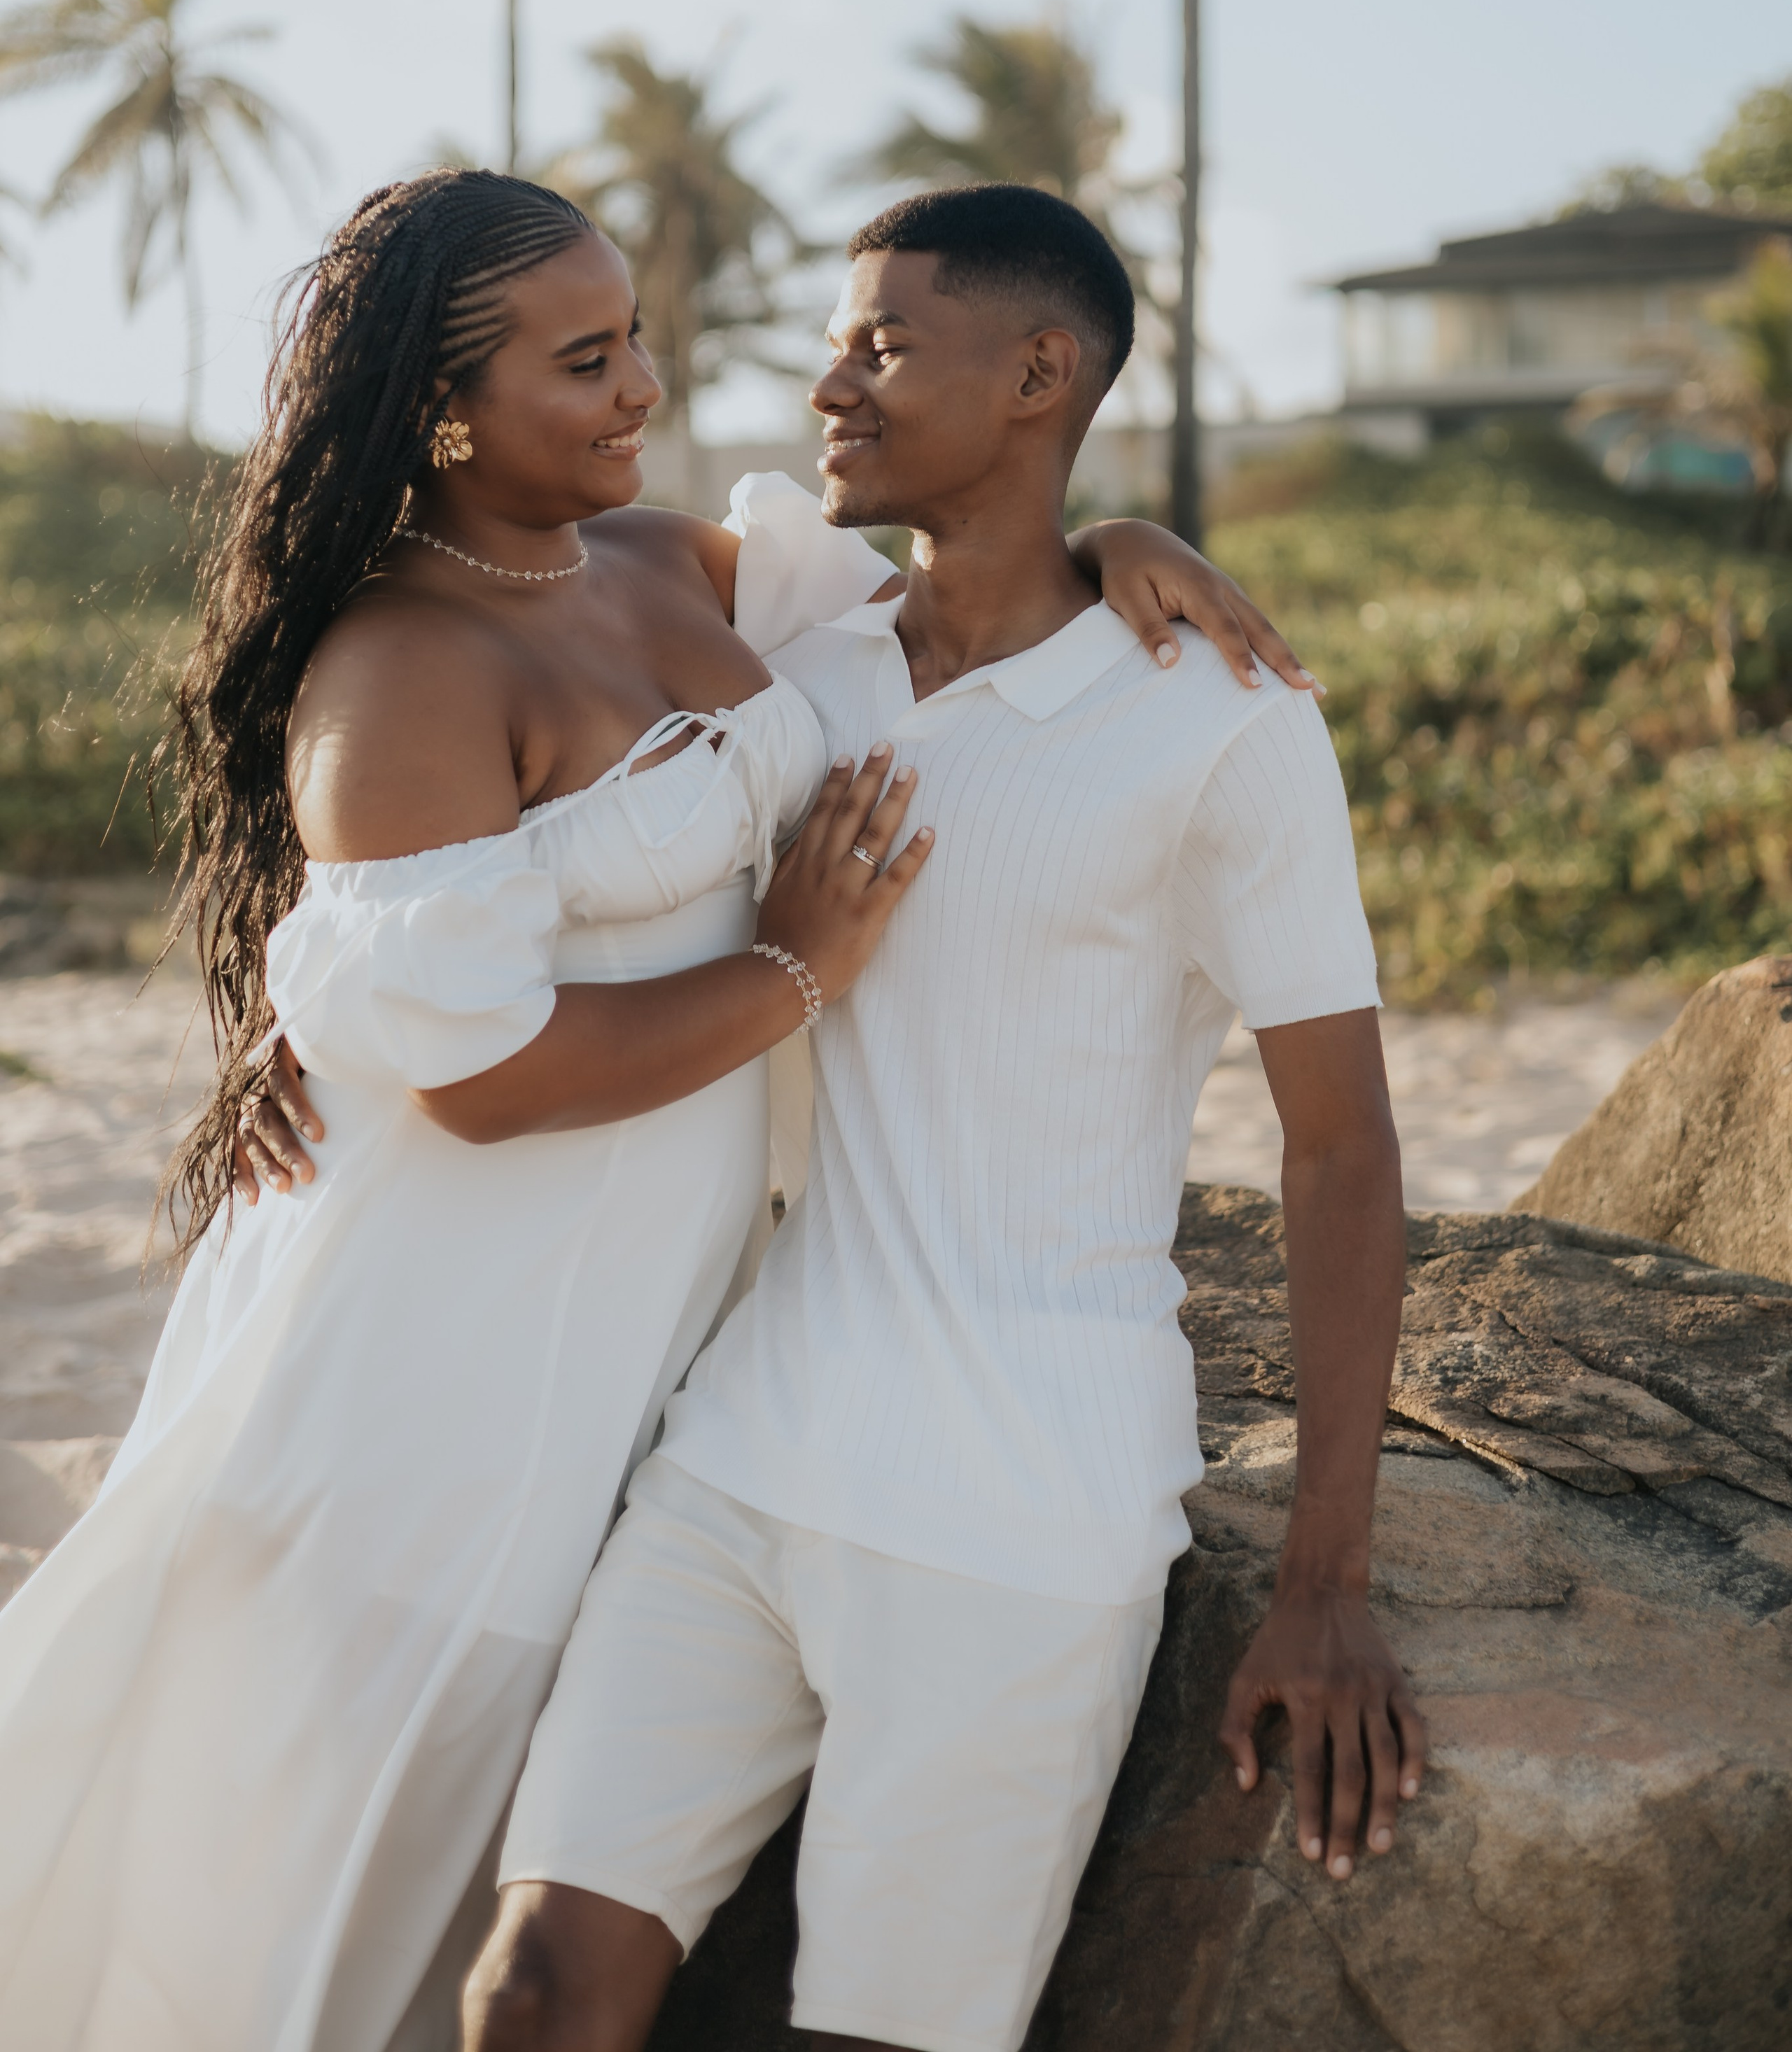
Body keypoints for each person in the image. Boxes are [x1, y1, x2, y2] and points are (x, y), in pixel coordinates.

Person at [0, 168, 1303, 2052]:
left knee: (470, 1855)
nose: (643, 395)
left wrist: (1114, 529)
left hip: (633, 1340)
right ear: (444, 412)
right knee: (286, 1855)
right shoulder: (402, 669)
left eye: (639, 345)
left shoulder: (662, 564)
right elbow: (482, 1081)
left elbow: (953, 575)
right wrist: (793, 973)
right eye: (587, 361)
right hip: (431, 1350)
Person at [461, 185, 1426, 2052]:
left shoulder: (1221, 717)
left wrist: (1326, 1583)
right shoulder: (801, 667)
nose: (830, 382)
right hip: (741, 1457)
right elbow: (503, 645)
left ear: (1040, 372)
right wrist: (325, 1003)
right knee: (538, 1990)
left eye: (885, 345)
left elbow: (1346, 1149)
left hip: (1023, 1506)